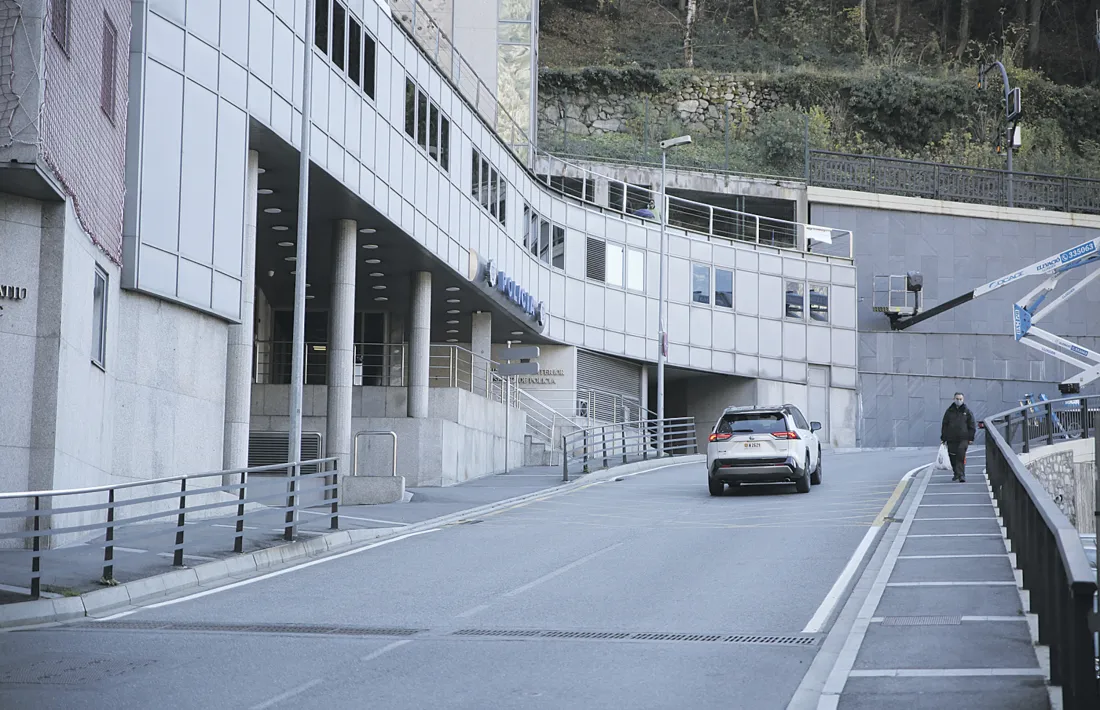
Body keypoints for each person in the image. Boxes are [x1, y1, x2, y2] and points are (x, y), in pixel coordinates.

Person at [941, 392, 976, 482]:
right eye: (957, 399)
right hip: (951, 438)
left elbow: (971, 425)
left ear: (963, 400)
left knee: (960, 455)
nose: (958, 401)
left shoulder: (967, 411)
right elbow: (945, 424)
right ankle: (956, 473)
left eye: (960, 399)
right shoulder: (949, 411)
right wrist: (943, 438)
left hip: (963, 438)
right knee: (952, 456)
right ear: (954, 399)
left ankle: (961, 475)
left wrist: (971, 438)